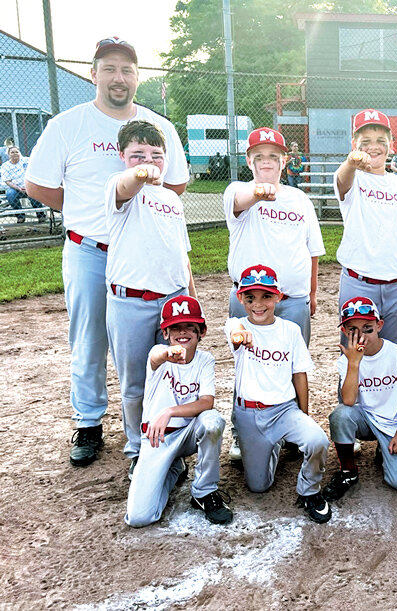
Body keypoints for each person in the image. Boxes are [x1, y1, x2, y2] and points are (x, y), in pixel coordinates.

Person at [25, 37, 188, 468]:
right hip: (90, 249)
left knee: (157, 340)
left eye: (127, 70)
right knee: (89, 338)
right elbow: (36, 184)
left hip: (144, 256)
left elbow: (176, 185)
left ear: (138, 77)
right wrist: (89, 212)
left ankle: (155, 418)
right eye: (109, 68)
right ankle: (89, 422)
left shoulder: (158, 126)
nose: (119, 78)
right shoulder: (69, 124)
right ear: (93, 74)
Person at [224, 126, 325, 461]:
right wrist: (259, 193)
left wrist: (311, 291)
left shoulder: (299, 199)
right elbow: (241, 203)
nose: (266, 161)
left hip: (292, 298)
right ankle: (243, 431)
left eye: (273, 156)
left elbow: (313, 249)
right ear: (249, 161)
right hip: (249, 299)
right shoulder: (237, 191)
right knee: (247, 366)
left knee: (291, 366)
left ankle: (293, 428)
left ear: (284, 161)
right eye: (259, 156)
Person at [104, 120, 196, 479]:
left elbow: (181, 253)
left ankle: (169, 444)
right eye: (138, 154)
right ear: (122, 156)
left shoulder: (171, 199)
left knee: (173, 374)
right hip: (131, 301)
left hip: (172, 300)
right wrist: (140, 172)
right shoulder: (120, 187)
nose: (149, 161)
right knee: (135, 382)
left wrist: (191, 297)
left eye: (156, 155)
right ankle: (136, 448)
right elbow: (128, 184)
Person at [225, 265, 332, 523]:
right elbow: (234, 333)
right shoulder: (237, 324)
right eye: (250, 298)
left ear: (278, 297)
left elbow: (299, 375)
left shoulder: (289, 330)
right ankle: (271, 447)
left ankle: (309, 490)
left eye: (266, 297)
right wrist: (241, 336)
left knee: (317, 440)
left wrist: (303, 416)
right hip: (250, 414)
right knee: (258, 486)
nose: (258, 304)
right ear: (240, 298)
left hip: (284, 410)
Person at [125, 295, 232, 527]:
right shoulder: (158, 354)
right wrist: (167, 354)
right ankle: (174, 468)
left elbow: (206, 402)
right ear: (165, 334)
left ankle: (204, 491)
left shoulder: (205, 360)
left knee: (212, 421)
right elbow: (155, 356)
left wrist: (170, 411)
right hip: (157, 438)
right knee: (139, 517)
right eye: (175, 328)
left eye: (189, 327)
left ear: (201, 332)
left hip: (187, 433)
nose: (182, 333)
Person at [334, 109, 397, 346]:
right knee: (354, 353)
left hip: (396, 284)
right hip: (359, 282)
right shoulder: (352, 177)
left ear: (391, 145)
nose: (374, 147)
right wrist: (352, 162)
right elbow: (343, 179)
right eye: (366, 142)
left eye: (381, 141)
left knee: (390, 353)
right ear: (354, 144)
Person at [322, 297, 397, 501]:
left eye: (368, 328)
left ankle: (384, 450)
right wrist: (354, 364)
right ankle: (348, 472)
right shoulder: (346, 360)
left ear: (379, 325)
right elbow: (348, 401)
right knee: (340, 415)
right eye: (353, 330)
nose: (362, 336)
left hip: (392, 425)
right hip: (365, 419)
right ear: (346, 332)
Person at [1, 146, 47, 223]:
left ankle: (41, 215)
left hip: (29, 185)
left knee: (34, 193)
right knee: (10, 194)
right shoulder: (5, 166)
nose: (15, 154)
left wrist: (28, 186)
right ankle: (20, 216)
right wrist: (18, 188)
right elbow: (7, 181)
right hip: (15, 188)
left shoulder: (27, 160)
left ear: (20, 153)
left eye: (17, 152)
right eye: (12, 152)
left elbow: (35, 171)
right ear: (9, 155)